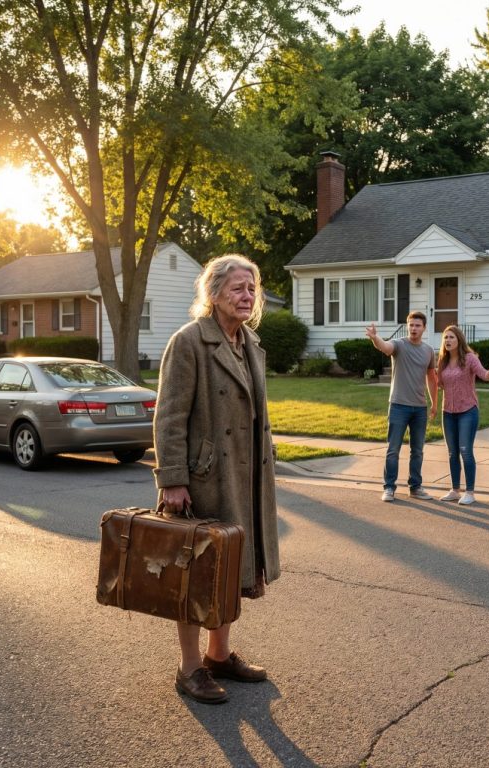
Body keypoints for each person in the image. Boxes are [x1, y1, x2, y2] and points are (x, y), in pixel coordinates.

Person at [153, 253, 280, 704]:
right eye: (237, 288)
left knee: (231, 568)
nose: (247, 296)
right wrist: (172, 480)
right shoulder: (189, 341)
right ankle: (190, 668)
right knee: (196, 572)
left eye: (252, 289)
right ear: (213, 293)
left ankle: (219, 655)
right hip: (204, 479)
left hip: (246, 479)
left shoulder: (249, 342)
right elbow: (169, 417)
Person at [366, 311, 438, 502]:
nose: (414, 328)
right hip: (399, 405)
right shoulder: (399, 345)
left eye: (417, 325)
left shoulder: (428, 350)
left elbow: (432, 378)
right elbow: (385, 347)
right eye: (411, 325)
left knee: (417, 451)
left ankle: (415, 487)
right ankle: (389, 488)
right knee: (393, 449)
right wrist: (375, 338)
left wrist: (434, 403)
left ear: (424, 328)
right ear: (407, 326)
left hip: (419, 408)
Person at [436, 325, 489, 505]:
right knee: (452, 453)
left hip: (467, 411)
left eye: (451, 337)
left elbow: (484, 375)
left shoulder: (470, 358)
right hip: (448, 412)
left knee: (465, 451)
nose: (448, 340)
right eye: (445, 337)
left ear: (459, 340)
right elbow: (440, 384)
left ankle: (470, 492)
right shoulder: (442, 361)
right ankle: (455, 490)